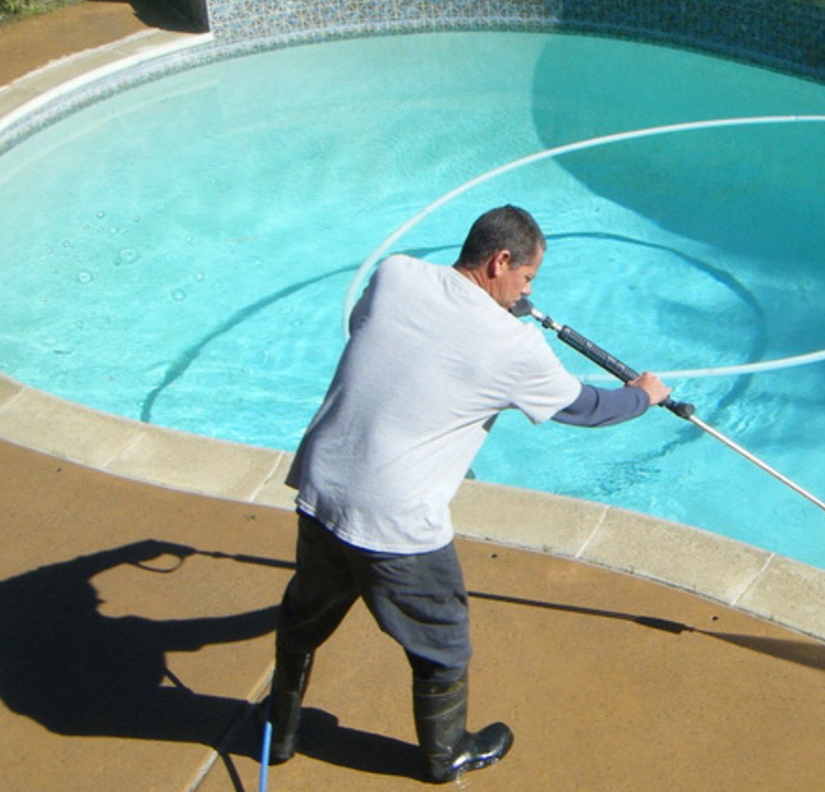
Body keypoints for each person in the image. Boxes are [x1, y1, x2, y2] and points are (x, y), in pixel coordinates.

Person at [268, 204, 670, 782]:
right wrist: (642, 395)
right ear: (499, 261)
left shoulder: (396, 274)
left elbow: (374, 337)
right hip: (396, 523)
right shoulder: (514, 348)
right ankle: (445, 754)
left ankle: (277, 731)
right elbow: (586, 408)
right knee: (443, 643)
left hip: (322, 486)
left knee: (306, 611)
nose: (524, 292)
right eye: (526, 278)